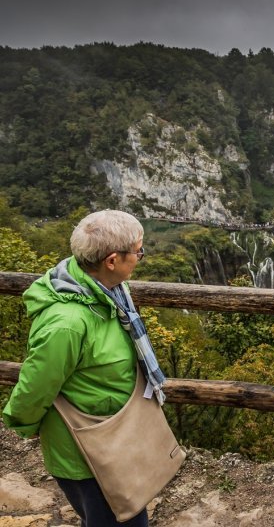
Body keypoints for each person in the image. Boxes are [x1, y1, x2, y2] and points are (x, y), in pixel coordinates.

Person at [3, 209, 165, 526]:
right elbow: (36, 385)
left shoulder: (108, 292)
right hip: (88, 452)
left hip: (114, 438)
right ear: (112, 260)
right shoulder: (67, 323)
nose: (141, 257)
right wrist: (23, 424)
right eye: (139, 252)